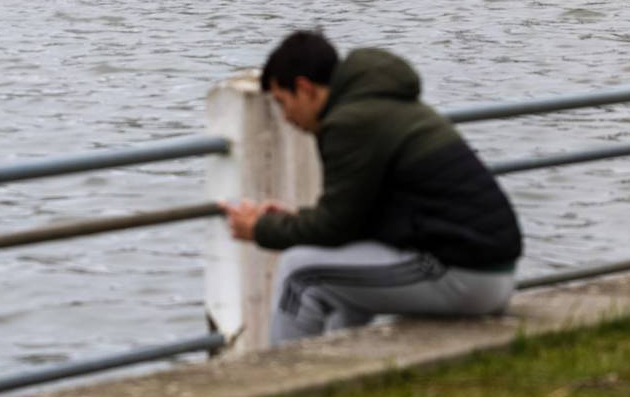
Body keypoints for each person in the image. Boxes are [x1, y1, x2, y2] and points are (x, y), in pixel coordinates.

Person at [221, 31, 522, 346]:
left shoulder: (349, 123)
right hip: (485, 274)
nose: (286, 118)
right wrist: (293, 219)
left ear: (304, 88)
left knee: (299, 273)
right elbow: (355, 218)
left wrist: (260, 228)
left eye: (284, 103)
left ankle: (279, 385)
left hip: (462, 274)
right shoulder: (378, 105)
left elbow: (334, 228)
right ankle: (340, 377)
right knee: (345, 290)